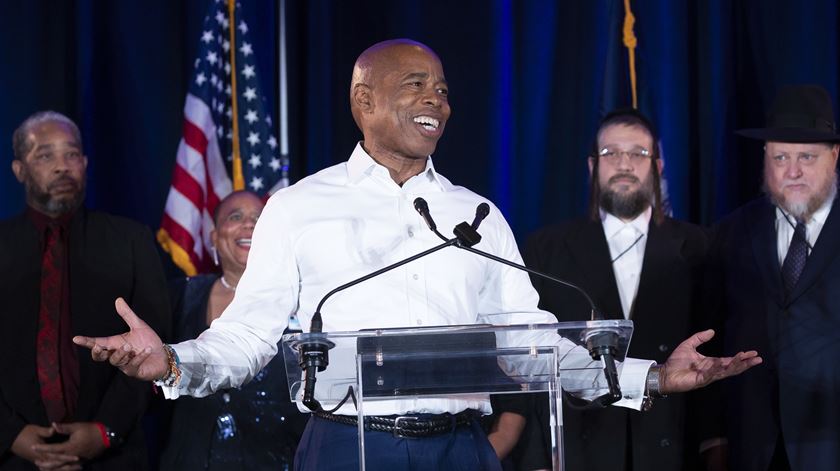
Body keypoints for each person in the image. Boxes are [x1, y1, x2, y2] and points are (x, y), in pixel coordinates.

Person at [72, 39, 760, 470]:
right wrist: (172, 360)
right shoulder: (302, 206)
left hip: (463, 446)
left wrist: (652, 379)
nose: (438, 100)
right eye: (416, 86)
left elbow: (531, 344)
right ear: (362, 100)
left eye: (443, 90)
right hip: (347, 444)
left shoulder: (476, 213)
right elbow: (251, 333)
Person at [488, 109, 710, 470]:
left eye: (638, 153)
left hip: (671, 446)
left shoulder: (699, 246)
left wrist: (714, 448)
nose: (624, 163)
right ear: (593, 166)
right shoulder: (546, 249)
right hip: (578, 447)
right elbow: (527, 357)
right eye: (611, 153)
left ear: (658, 165)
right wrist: (535, 460)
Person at [0, 111, 170, 470]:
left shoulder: (131, 241)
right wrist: (9, 434)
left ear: (85, 163)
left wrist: (105, 431)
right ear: (19, 170)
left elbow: (158, 345)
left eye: (71, 154)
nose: (62, 166)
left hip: (114, 456)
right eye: (45, 155)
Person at [703, 84, 840, 471]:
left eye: (807, 158)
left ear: (834, 156)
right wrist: (713, 436)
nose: (793, 171)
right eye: (780, 157)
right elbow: (710, 336)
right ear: (765, 159)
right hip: (753, 447)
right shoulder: (732, 232)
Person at [158, 190, 308, 470]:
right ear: (214, 237)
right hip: (192, 457)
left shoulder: (304, 299)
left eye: (258, 218)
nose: (249, 224)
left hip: (278, 457)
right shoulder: (180, 296)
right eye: (235, 216)